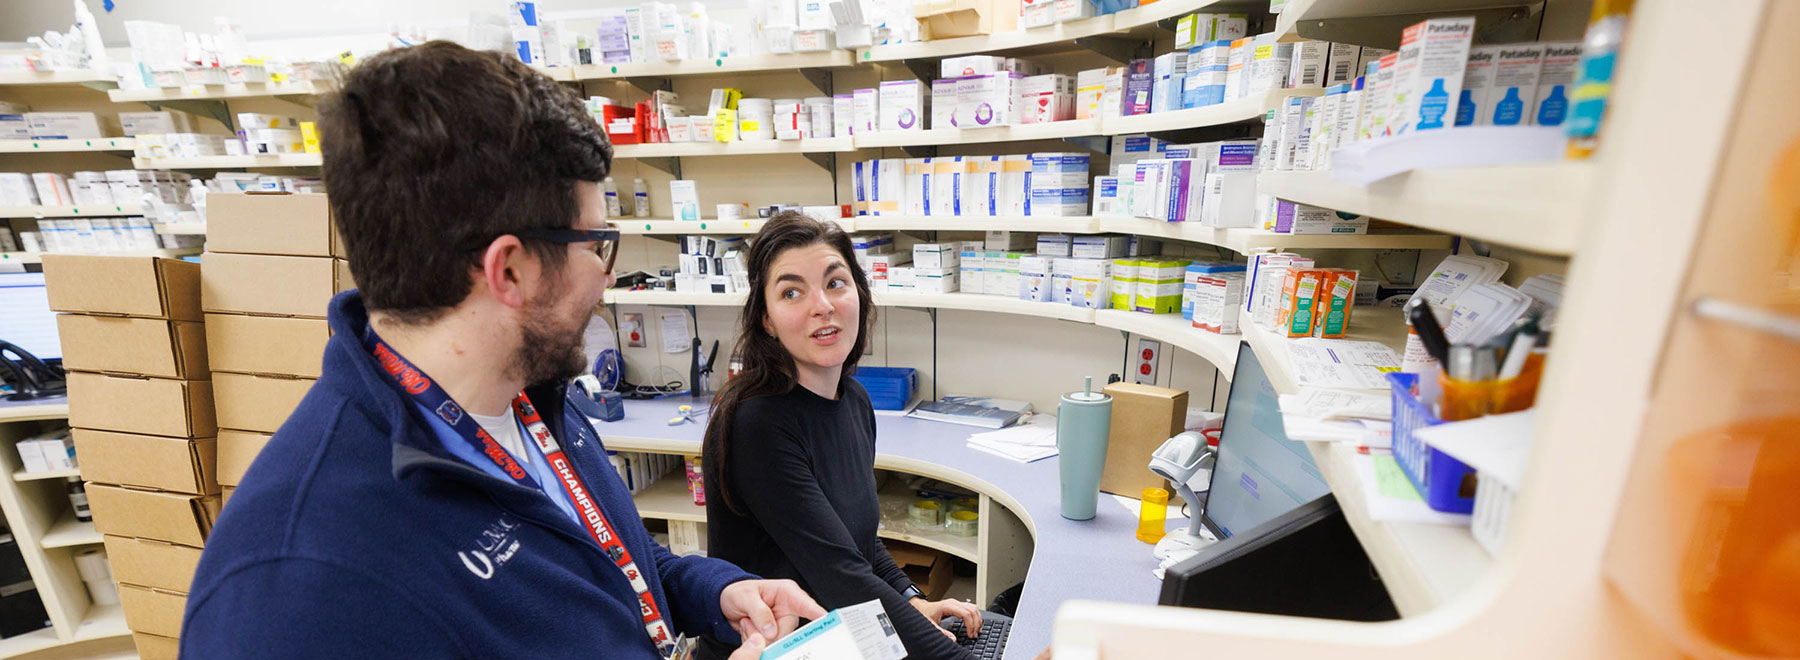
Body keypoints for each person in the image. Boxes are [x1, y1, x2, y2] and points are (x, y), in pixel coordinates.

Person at [181, 42, 824, 659]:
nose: (606, 276)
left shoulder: (526, 394)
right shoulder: (297, 591)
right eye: (596, 244)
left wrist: (713, 590)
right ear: (509, 271)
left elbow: (600, 562)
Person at [697, 213, 983, 660]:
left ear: (859, 294)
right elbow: (842, 575)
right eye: (792, 292)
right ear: (767, 320)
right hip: (772, 651)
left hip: (842, 637)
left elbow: (858, 544)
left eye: (835, 283)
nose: (822, 306)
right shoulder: (755, 424)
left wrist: (913, 601)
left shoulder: (853, 401)